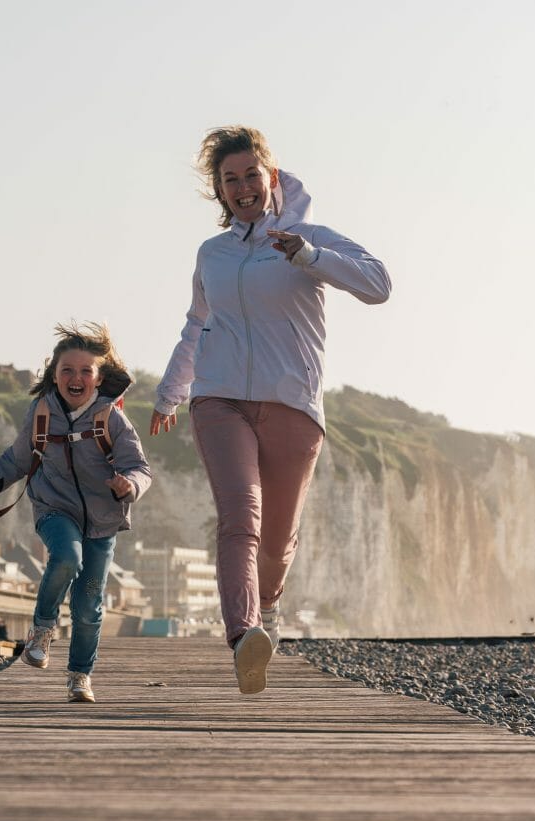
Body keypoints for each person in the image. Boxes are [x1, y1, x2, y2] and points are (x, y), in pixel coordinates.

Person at [151, 126, 391, 695]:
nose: (242, 188)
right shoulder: (212, 253)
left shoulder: (309, 237)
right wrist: (170, 392)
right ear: (220, 191)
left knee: (278, 539)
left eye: (250, 176)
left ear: (271, 178)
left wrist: (310, 257)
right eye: (229, 180)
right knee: (241, 516)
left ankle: (269, 606)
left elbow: (379, 285)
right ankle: (244, 635)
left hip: (292, 402)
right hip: (219, 397)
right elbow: (196, 324)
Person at [0, 321, 152, 703]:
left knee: (88, 604)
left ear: (98, 379)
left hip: (102, 521)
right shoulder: (41, 413)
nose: (75, 378)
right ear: (54, 375)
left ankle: (80, 676)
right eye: (67, 370)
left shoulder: (111, 418)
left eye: (85, 371)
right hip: (54, 509)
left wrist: (129, 484)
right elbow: (16, 459)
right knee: (65, 556)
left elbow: (140, 468)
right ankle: (42, 628)